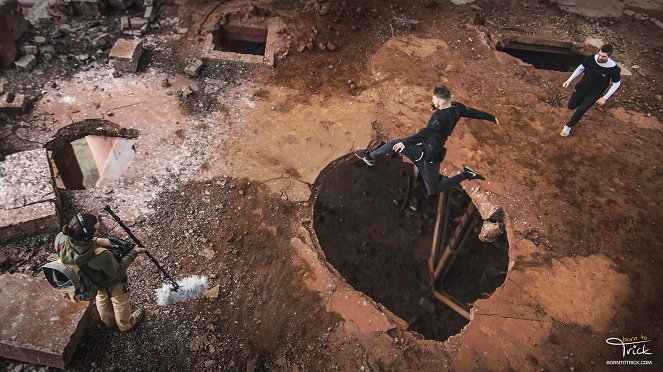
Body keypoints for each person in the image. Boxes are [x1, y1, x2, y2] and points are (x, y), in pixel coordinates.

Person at [355, 85, 499, 196]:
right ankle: (467, 174)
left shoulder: (439, 117)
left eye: (434, 99)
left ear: (441, 101)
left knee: (395, 144)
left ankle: (369, 157)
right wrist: (491, 117)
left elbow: (426, 132)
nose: (432, 100)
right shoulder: (457, 107)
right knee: (433, 189)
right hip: (435, 151)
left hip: (425, 152)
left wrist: (405, 142)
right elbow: (472, 112)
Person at [55, 213, 147, 331]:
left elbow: (79, 245)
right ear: (87, 237)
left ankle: (108, 321)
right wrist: (134, 252)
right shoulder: (101, 255)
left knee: (102, 298)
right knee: (121, 301)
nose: (98, 231)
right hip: (112, 283)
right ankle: (125, 324)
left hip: (91, 281)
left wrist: (96, 240)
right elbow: (117, 271)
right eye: (96, 230)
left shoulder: (61, 239)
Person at [560, 43, 621, 137]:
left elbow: (616, 83)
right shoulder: (591, 59)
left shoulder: (614, 69)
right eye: (600, 54)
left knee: (581, 110)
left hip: (594, 93)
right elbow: (581, 68)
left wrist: (605, 98)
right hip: (581, 87)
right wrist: (569, 80)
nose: (600, 57)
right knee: (571, 106)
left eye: (603, 56)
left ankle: (568, 127)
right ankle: (581, 104)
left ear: (609, 56)